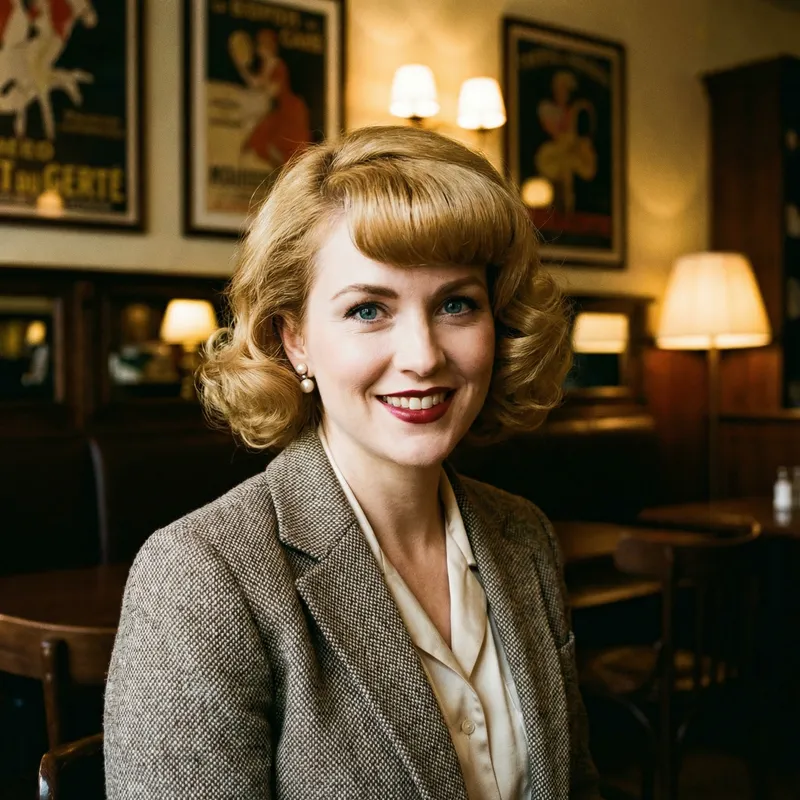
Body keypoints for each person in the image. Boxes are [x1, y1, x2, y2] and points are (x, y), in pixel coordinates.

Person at [103, 125, 600, 799]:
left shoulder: (524, 535)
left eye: (457, 303)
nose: (423, 355)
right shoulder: (201, 576)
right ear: (295, 338)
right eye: (369, 310)